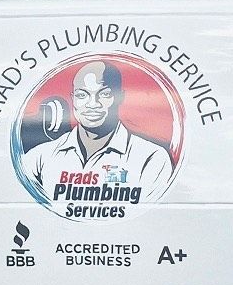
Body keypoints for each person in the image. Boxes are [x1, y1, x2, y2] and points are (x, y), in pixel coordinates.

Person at [21, 60, 174, 203]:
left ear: (120, 97)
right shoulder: (39, 158)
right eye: (82, 95)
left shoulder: (151, 159)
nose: (93, 104)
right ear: (73, 99)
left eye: (104, 94)